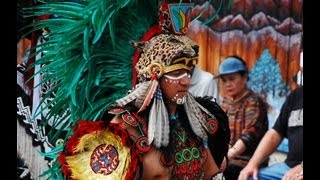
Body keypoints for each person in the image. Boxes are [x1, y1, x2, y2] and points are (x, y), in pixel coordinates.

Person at [54, 1, 231, 179]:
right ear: (154, 76)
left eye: (188, 72)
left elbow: (211, 173)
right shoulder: (124, 128)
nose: (186, 81)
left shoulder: (195, 122)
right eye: (176, 73)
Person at [215, 56, 269, 179]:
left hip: (247, 162)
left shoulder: (254, 102)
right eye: (224, 80)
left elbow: (249, 136)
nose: (228, 84)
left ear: (244, 78)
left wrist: (227, 156)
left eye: (232, 79)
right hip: (228, 159)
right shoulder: (226, 102)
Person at [238, 86, 303, 180]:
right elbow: (276, 132)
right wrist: (252, 164)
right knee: (249, 177)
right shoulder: (296, 95)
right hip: (288, 167)